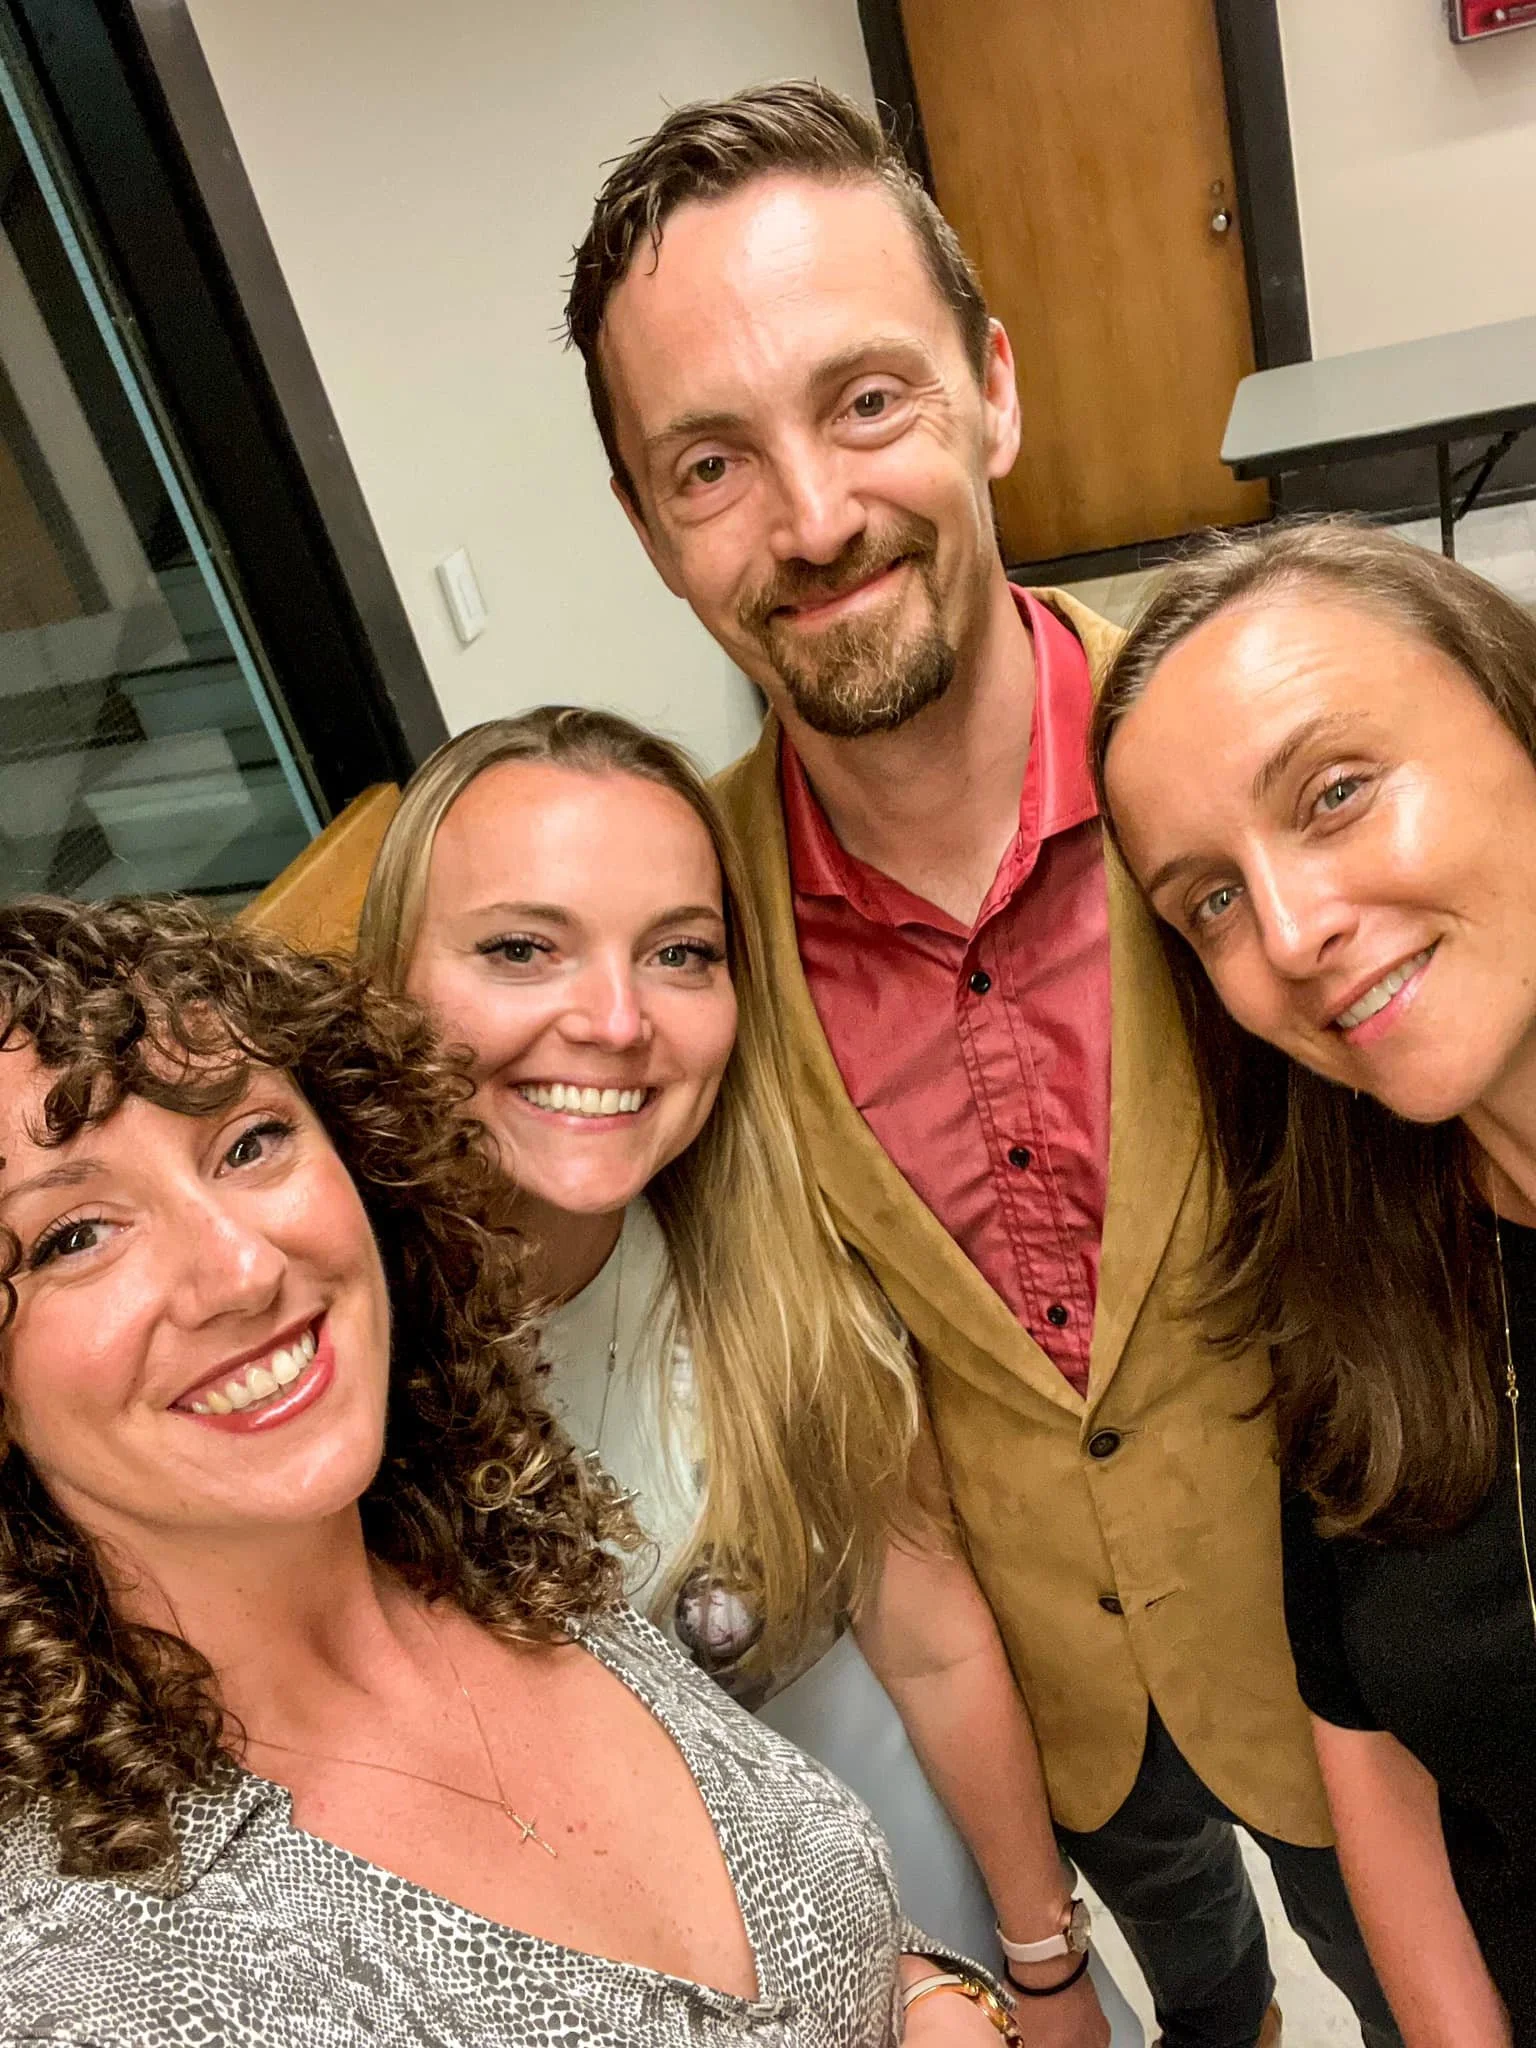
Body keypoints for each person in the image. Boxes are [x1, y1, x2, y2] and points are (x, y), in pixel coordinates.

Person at [562, 78, 1403, 2048]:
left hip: (1375, 1644)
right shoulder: (686, 947)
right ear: (646, 522)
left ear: (991, 390)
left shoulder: (1254, 761)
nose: (817, 516)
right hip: (1062, 1725)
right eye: (710, 461)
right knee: (1209, 2002)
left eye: (869, 400)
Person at [0, 893, 1013, 2047]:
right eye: (74, 1235)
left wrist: (939, 1994)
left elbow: (797, 1956)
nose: (238, 1266)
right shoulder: (75, 1976)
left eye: (249, 1142)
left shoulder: (504, 1546)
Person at [357, 704, 1141, 2048]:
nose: (613, 1022)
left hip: (897, 1848)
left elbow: (931, 1631)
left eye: (679, 954)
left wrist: (1043, 1958)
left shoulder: (770, 1258)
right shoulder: (330, 1365)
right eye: (520, 949)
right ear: (386, 985)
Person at [1091, 517, 1536, 2045]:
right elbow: (1384, 1782)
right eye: (1209, 899)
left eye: (1336, 793)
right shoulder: (1357, 1303)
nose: (1289, 934)